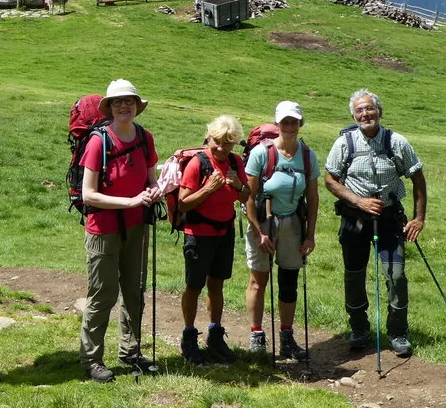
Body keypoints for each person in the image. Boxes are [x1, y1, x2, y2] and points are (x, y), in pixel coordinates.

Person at [324, 89, 426, 357]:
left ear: (379, 111)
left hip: (390, 220)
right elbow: (330, 180)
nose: (365, 114)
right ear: (353, 115)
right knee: (354, 276)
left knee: (396, 275)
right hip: (354, 220)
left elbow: (418, 178)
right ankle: (359, 329)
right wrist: (358, 201)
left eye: (369, 109)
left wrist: (419, 218)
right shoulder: (344, 143)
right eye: (359, 110)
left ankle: (398, 332)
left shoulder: (397, 142)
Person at [78, 79, 161, 383]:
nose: (124, 106)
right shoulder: (99, 142)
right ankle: (91, 360)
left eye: (129, 101)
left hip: (137, 225)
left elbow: (151, 180)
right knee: (103, 293)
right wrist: (131, 201)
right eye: (117, 102)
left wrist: (153, 192)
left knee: (134, 290)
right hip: (103, 229)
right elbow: (88, 194)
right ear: (110, 108)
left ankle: (131, 350)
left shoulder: (144, 137)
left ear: (137, 106)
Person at [243, 101, 319, 360]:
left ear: (300, 124)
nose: (289, 126)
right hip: (263, 222)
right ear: (277, 124)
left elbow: (313, 197)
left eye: (293, 121)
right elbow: (249, 197)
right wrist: (258, 232)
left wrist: (310, 235)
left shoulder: (308, 156)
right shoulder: (261, 154)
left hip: (293, 223)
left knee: (289, 281)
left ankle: (286, 338)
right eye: (284, 122)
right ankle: (257, 336)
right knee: (259, 280)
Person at [177, 115, 250, 364]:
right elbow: (183, 203)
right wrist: (209, 188)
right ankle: (188, 337)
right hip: (198, 235)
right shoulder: (197, 164)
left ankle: (215, 335)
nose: (220, 147)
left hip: (224, 233)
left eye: (227, 143)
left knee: (217, 284)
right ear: (209, 137)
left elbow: (247, 195)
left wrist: (238, 184)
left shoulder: (235, 161)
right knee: (194, 286)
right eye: (217, 141)